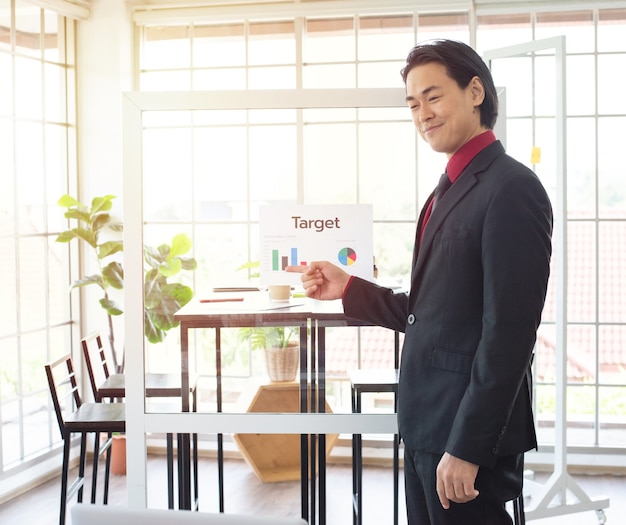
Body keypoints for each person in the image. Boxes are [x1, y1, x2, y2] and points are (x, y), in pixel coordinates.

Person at [287, 39, 553, 524]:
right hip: (427, 424)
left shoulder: (512, 189)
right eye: (413, 104)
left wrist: (468, 447)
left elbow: (509, 336)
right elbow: (429, 309)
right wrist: (348, 288)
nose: (422, 114)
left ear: (476, 92)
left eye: (433, 96)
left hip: (463, 436)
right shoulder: (449, 188)